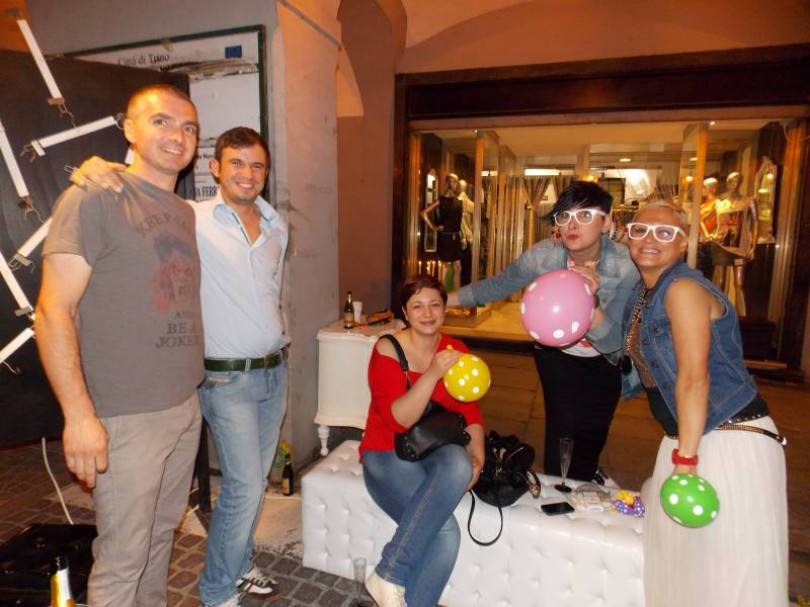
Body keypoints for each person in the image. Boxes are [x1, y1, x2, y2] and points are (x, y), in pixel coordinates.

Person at [70, 127, 287, 607]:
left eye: (257, 165)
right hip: (226, 377)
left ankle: (239, 562)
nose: (248, 174)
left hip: (274, 372)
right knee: (244, 487)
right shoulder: (190, 216)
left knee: (256, 486)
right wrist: (101, 168)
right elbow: (140, 191)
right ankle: (217, 589)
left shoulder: (277, 226)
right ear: (215, 168)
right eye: (236, 163)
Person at [35, 84, 204, 607]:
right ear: (128, 129)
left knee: (159, 538)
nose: (177, 135)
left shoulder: (183, 211)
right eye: (160, 121)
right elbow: (52, 312)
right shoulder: (93, 196)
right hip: (127, 417)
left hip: (183, 406)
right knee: (123, 558)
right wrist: (79, 416)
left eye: (189, 127)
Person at [621, 201, 788, 607]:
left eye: (665, 233)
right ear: (627, 236)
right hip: (689, 437)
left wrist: (686, 460)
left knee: (726, 574)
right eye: (641, 230)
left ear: (684, 243)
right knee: (687, 568)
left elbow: (694, 378)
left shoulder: (682, 290)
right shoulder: (645, 292)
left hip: (725, 440)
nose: (650, 240)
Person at [448, 181, 638, 483]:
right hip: (557, 354)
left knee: (593, 432)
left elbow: (613, 341)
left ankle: (583, 479)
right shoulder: (543, 256)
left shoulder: (626, 265)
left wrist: (588, 301)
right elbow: (500, 284)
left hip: (605, 359)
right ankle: (559, 488)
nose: (572, 225)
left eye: (585, 215)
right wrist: (444, 299)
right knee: (563, 427)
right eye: (564, 216)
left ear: (607, 223)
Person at [360, 274, 485, 607]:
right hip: (386, 453)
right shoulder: (387, 349)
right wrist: (432, 374)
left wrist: (478, 454)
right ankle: (390, 572)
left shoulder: (456, 350)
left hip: (432, 448)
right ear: (405, 312)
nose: (427, 313)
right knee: (446, 534)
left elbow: (470, 413)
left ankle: (389, 577)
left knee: (460, 463)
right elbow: (397, 421)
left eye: (434, 305)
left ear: (445, 309)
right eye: (417, 306)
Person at [421, 173, 463, 291]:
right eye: (454, 181)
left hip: (456, 238)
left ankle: (456, 296)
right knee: (444, 268)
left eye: (457, 182)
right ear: (448, 183)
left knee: (458, 267)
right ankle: (442, 296)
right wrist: (433, 227)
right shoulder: (441, 200)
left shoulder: (458, 201)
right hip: (445, 238)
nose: (456, 184)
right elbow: (423, 213)